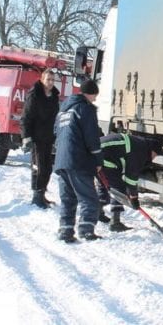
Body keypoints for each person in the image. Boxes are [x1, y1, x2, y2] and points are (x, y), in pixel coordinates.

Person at [53, 79, 104, 243]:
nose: (95, 99)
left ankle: (65, 230)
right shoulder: (85, 109)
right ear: (90, 93)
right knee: (89, 199)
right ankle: (86, 230)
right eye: (95, 96)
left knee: (68, 198)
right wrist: (98, 159)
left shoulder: (63, 110)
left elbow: (56, 132)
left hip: (61, 160)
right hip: (78, 160)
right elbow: (92, 137)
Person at [96, 133, 163, 232]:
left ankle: (98, 213)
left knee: (104, 185)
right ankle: (115, 222)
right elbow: (131, 177)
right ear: (153, 150)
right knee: (118, 188)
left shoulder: (138, 143)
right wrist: (133, 197)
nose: (154, 157)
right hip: (101, 156)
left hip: (96, 155)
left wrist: (132, 196)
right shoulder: (141, 150)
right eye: (156, 154)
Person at [21, 69, 60, 209]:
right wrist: (26, 137)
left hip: (48, 137)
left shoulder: (54, 96)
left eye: (52, 80)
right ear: (42, 79)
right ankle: (36, 196)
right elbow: (26, 117)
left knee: (48, 168)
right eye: (48, 79)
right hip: (36, 137)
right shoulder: (35, 95)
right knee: (39, 167)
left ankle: (42, 194)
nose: (50, 83)